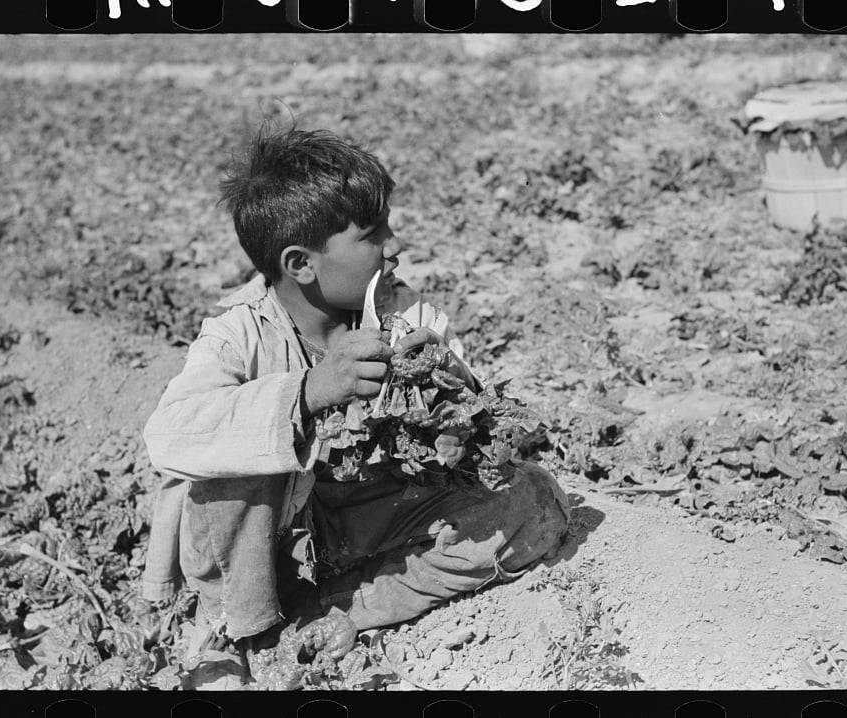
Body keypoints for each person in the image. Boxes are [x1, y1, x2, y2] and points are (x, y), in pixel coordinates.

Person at [141, 125, 570, 688]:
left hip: (357, 525)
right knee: (233, 464)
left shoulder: (403, 311)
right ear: (300, 263)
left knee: (533, 501)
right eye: (373, 234)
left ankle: (339, 610)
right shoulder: (238, 334)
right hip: (260, 554)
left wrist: (450, 381)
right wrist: (310, 391)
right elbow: (168, 435)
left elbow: (470, 440)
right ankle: (233, 635)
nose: (396, 245)